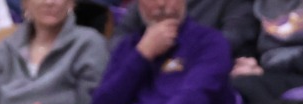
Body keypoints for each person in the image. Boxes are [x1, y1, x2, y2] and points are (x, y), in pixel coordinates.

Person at [92, 0, 235, 104]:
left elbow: (191, 101)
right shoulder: (129, 47)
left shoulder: (210, 43)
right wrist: (142, 55)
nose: (161, 4)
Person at [112, 0, 261, 57]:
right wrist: (145, 48)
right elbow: (116, 43)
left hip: (203, 76)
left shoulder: (234, 3)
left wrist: (156, 47)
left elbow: (230, 41)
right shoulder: (149, 3)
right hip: (147, 79)